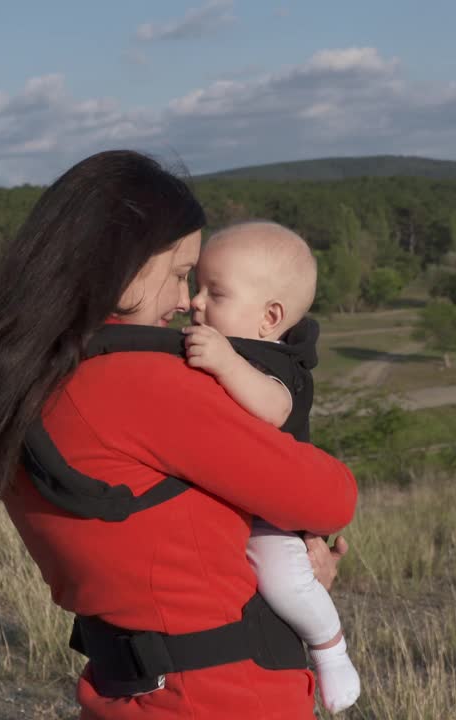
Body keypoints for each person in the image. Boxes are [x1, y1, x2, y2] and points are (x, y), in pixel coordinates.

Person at [0, 150, 357, 720]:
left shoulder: (17, 377)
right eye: (175, 274)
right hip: (225, 694)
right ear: (122, 262)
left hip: (124, 690)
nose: (182, 301)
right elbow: (330, 497)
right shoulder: (140, 381)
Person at [182, 222, 360, 712]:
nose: (196, 302)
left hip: (273, 515)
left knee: (283, 579)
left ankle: (330, 647)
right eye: (196, 286)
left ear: (270, 317)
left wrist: (225, 364)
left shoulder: (274, 362)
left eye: (214, 292)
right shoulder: (226, 342)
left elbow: (273, 409)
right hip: (238, 502)